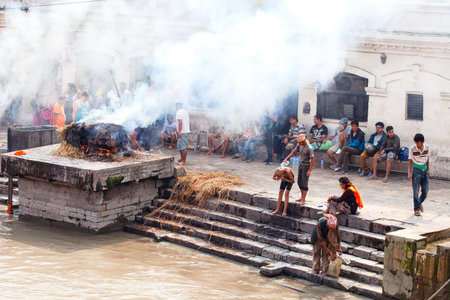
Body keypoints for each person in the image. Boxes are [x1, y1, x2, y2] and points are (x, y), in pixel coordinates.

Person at [283, 134, 314, 205]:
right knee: (299, 181)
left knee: (304, 182)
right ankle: (302, 196)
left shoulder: (309, 148)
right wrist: (287, 158)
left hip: (306, 166)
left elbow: (312, 159)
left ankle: (303, 199)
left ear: (303, 141)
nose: (299, 143)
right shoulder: (299, 145)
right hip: (301, 164)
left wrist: (309, 170)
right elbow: (294, 152)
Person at [408, 133, 430, 217]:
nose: (417, 145)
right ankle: (416, 209)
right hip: (416, 171)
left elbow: (427, 159)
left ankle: (419, 202)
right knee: (416, 191)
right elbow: (410, 161)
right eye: (416, 143)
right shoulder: (412, 149)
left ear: (422, 142)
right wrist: (410, 172)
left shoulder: (427, 148)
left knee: (425, 190)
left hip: (424, 171)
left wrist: (428, 170)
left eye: (419, 143)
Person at [176, 101, 190, 165]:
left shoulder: (179, 112)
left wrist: (179, 132)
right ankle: (182, 158)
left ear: (178, 106)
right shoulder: (185, 111)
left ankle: (184, 161)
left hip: (182, 132)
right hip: (183, 131)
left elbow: (180, 123)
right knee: (180, 145)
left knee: (183, 147)